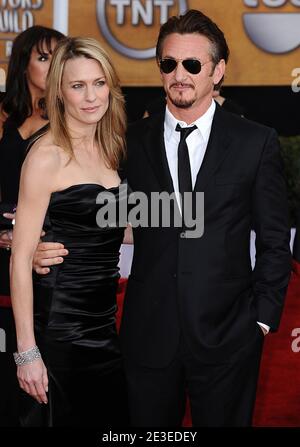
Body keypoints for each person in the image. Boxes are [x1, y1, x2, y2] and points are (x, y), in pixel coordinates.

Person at [33, 10, 291, 426]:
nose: (180, 75)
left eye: (193, 64)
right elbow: (104, 213)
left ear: (218, 70)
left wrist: (260, 320)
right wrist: (39, 243)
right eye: (169, 64)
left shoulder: (254, 142)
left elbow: (275, 241)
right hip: (147, 335)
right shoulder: (128, 140)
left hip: (229, 337)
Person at [10, 36, 129, 427]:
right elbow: (21, 259)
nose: (91, 96)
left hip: (104, 326)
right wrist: (27, 352)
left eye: (98, 83)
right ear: (59, 92)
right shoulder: (46, 156)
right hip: (61, 328)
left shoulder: (110, 148)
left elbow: (118, 226)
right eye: (78, 86)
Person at [0, 25, 64, 427]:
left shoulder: (72, 120)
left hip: (47, 261)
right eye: (43, 57)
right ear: (23, 66)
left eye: (59, 56)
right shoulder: (4, 117)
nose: (53, 65)